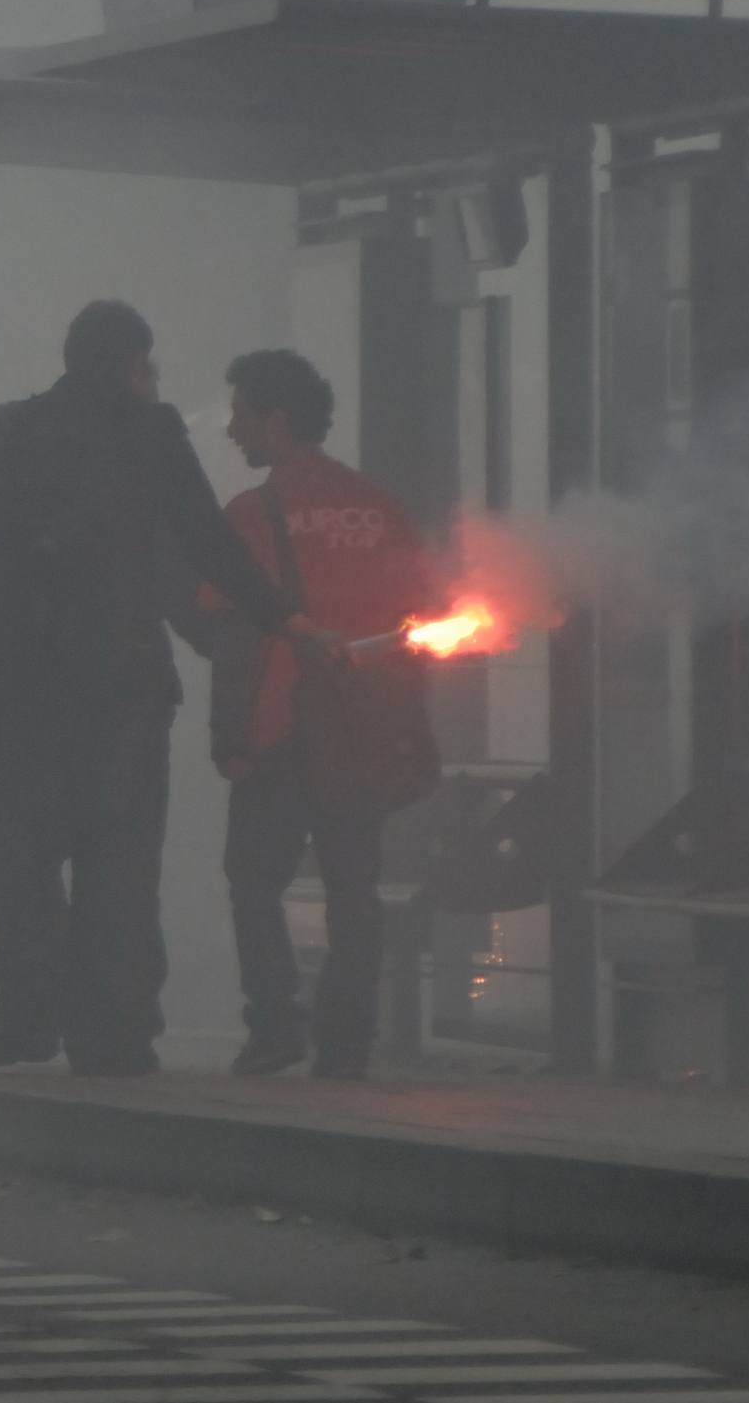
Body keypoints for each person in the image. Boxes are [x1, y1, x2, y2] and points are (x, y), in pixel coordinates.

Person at [0, 300, 311, 1077]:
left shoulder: (12, 430)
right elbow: (207, 542)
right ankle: (110, 1028)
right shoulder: (149, 435)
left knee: (15, 852)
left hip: (8, 692)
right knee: (115, 858)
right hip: (116, 688)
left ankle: (25, 1007)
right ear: (132, 364)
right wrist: (285, 620)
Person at [199, 348, 440, 1081]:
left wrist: (231, 736)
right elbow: (425, 614)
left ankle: (274, 1026)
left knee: (251, 879)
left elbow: (218, 617)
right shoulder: (377, 504)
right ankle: (346, 1040)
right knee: (353, 887)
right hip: (361, 732)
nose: (231, 430)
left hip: (278, 728)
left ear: (276, 419)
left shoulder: (250, 515)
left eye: (240, 413)